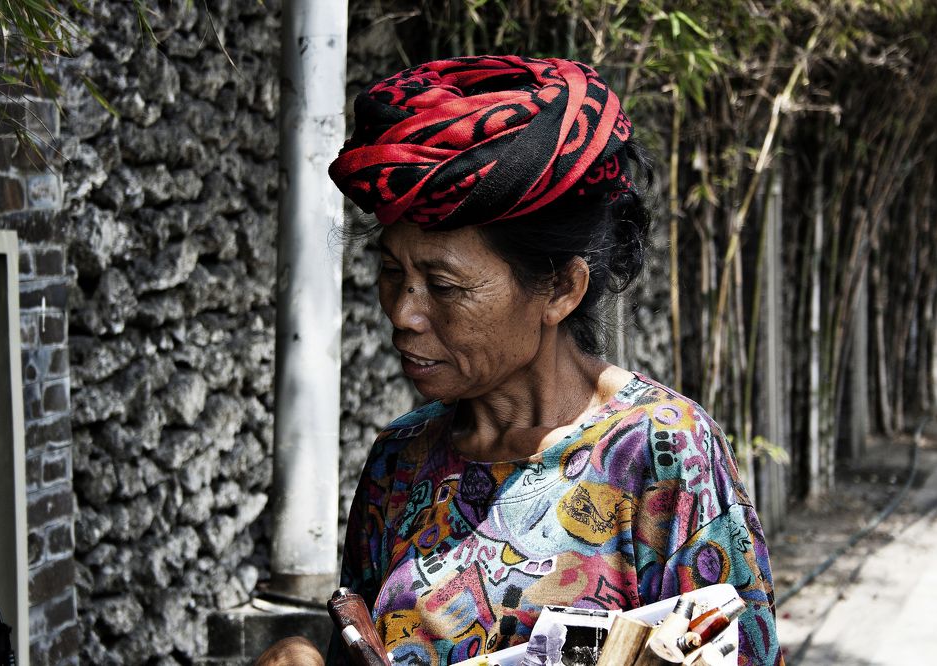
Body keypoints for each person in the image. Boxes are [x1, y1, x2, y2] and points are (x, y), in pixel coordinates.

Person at [266, 54, 782, 666]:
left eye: (444, 285)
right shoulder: (398, 463)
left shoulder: (663, 455)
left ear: (560, 288)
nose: (404, 312)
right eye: (391, 273)